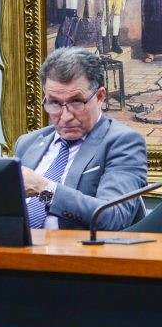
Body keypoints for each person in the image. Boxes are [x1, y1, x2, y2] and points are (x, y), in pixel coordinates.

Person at [14, 47, 147, 230]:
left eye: (76, 102)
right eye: (54, 103)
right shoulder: (27, 143)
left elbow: (114, 217)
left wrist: (45, 189)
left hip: (78, 254)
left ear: (100, 96)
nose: (66, 116)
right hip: (13, 251)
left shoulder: (123, 142)